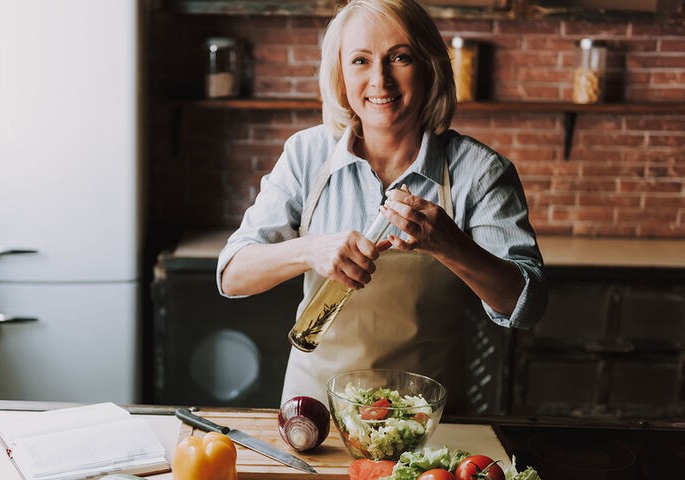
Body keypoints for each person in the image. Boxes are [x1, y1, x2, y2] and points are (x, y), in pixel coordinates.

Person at [216, 0, 546, 413]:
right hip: (316, 415)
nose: (380, 79)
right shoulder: (306, 155)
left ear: (429, 67)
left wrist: (452, 246)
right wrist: (309, 250)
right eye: (360, 60)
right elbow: (231, 275)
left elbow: (528, 306)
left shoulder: (480, 171)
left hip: (426, 424)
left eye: (400, 57)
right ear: (340, 76)